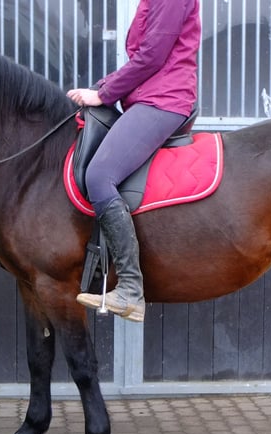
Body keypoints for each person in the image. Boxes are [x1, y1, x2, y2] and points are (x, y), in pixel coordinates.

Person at [67, 0, 201, 322]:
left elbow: (152, 56)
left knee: (99, 175)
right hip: (150, 97)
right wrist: (102, 87)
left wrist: (104, 93)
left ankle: (130, 288)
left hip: (164, 100)